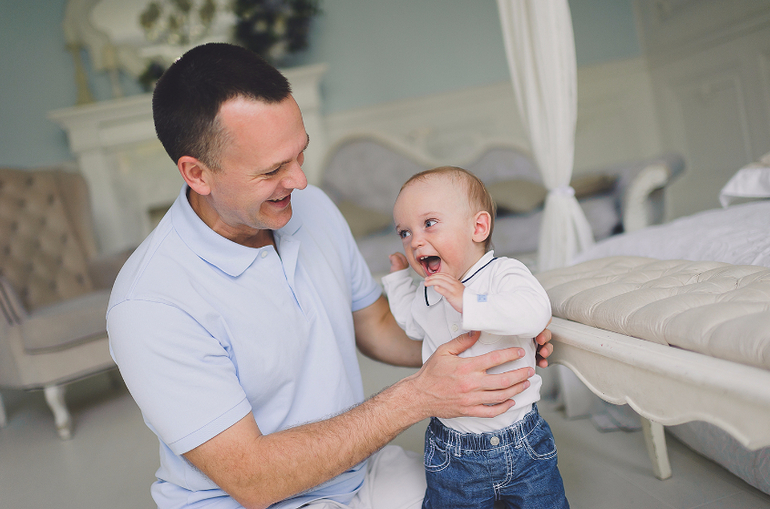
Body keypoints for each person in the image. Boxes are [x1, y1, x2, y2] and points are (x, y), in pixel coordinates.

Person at [106, 43, 554, 509]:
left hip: (357, 470)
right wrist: (418, 397)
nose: (299, 181)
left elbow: (376, 324)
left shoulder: (311, 206)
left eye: (299, 155)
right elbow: (254, 479)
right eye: (273, 170)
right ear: (197, 174)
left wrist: (489, 338)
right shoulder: (149, 304)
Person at [382, 166, 569, 509]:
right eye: (404, 233)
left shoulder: (503, 274)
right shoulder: (430, 291)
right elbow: (412, 323)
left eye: (429, 223)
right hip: (453, 451)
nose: (415, 241)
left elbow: (534, 312)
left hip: (522, 439)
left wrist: (468, 301)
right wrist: (397, 282)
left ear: (478, 228)